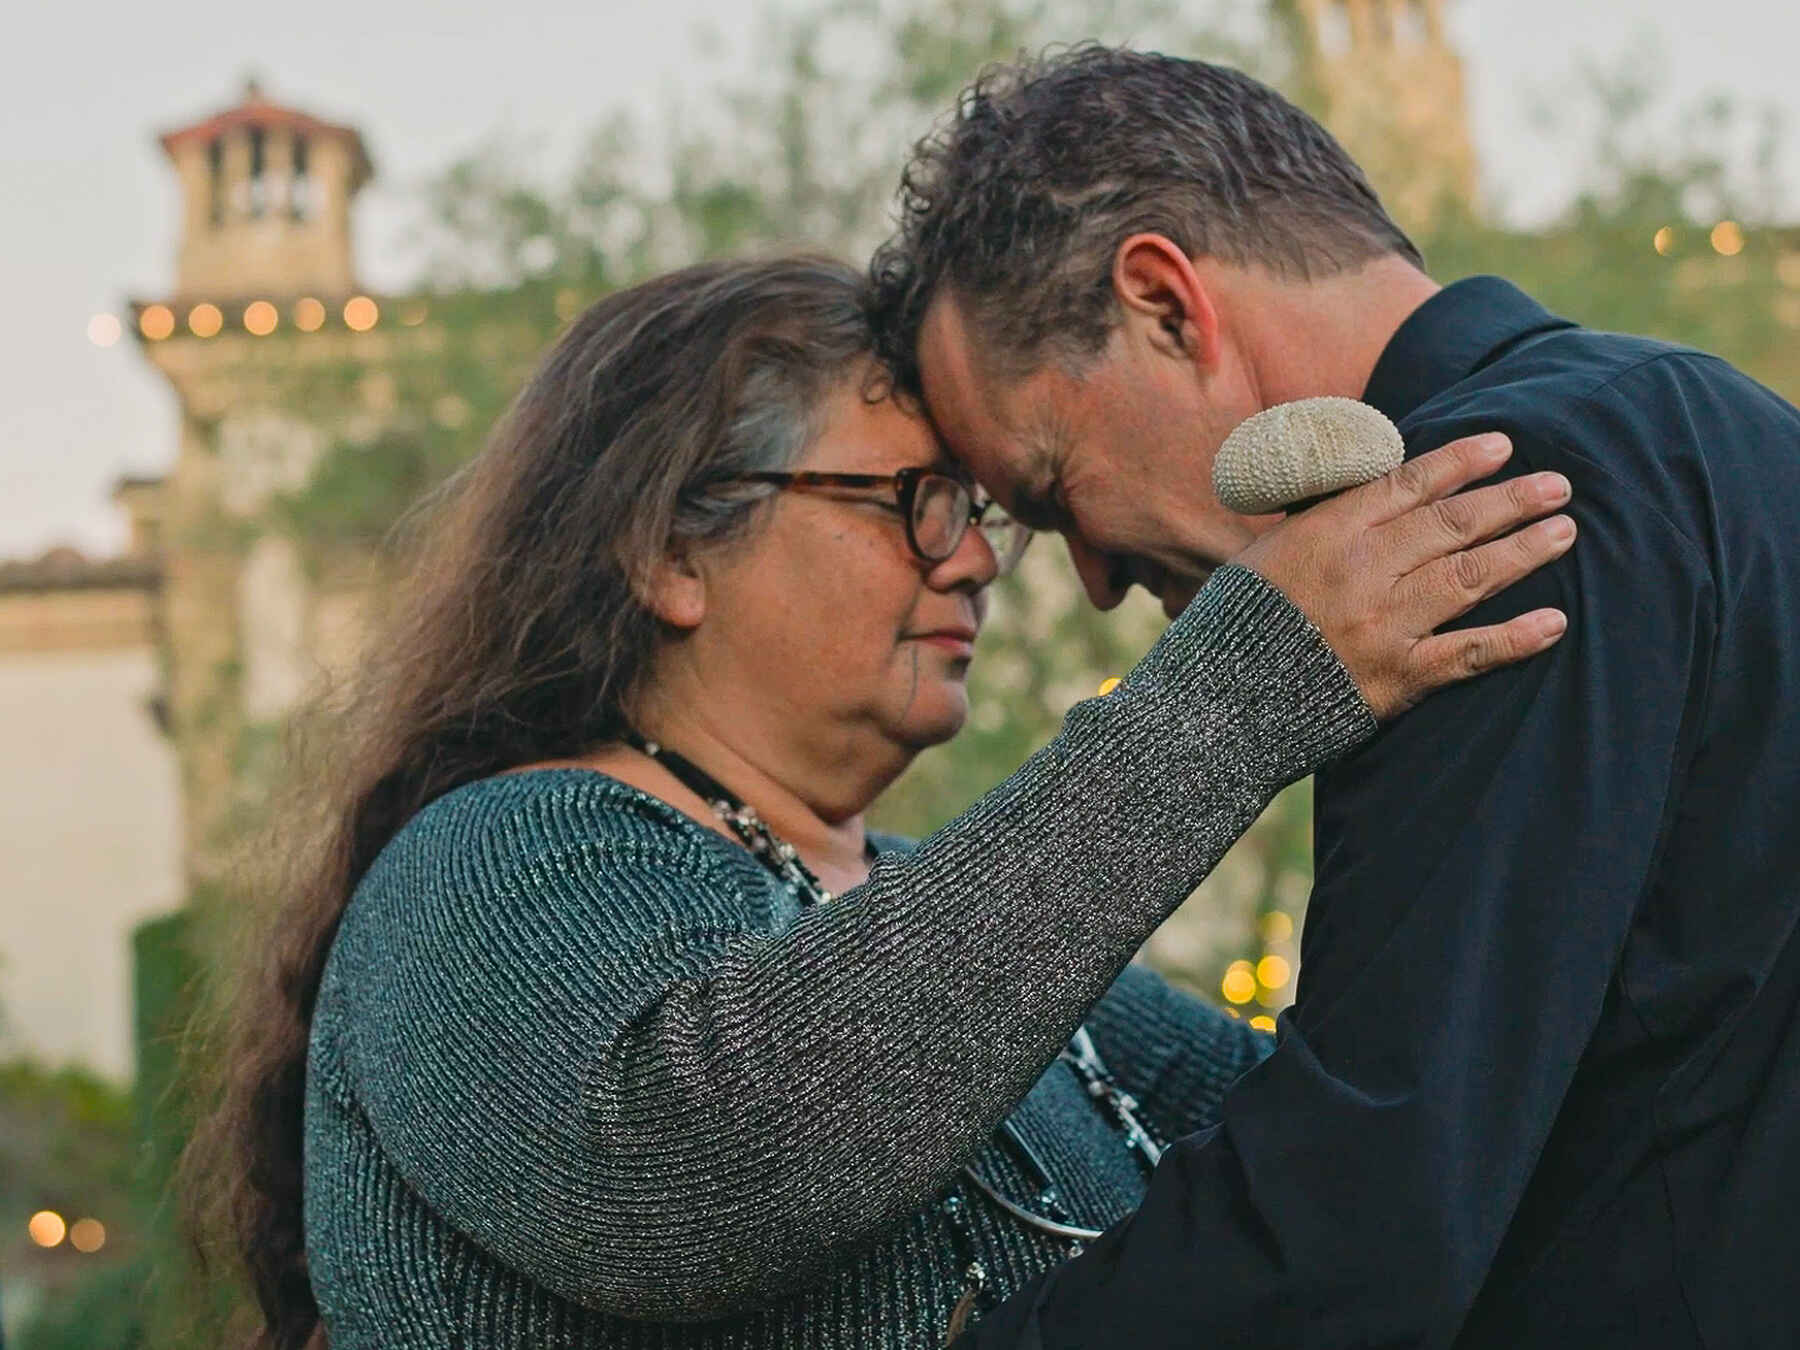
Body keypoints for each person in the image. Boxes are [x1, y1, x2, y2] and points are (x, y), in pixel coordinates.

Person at [200, 256, 1572, 1350]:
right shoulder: (487, 866)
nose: (979, 561)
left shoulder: (979, 947)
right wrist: (1245, 686)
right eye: (914, 501)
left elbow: (1348, 1147)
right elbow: (697, 1163)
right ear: (670, 551)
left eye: (978, 510)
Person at [870, 45, 1800, 1350]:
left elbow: (1355, 1223)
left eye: (1048, 485)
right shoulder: (1729, 422)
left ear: (1163, 303)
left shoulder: (1476, 506)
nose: (1087, 577)